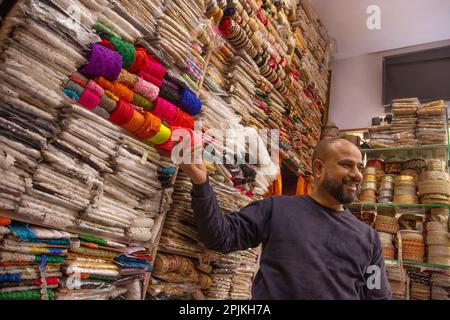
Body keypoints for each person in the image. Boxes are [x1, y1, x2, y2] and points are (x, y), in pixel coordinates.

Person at [180, 137, 392, 300]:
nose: (357, 174)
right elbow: (221, 236)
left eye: (359, 167)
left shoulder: (369, 239)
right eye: (347, 165)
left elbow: (377, 293)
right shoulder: (277, 209)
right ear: (319, 168)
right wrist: (201, 184)